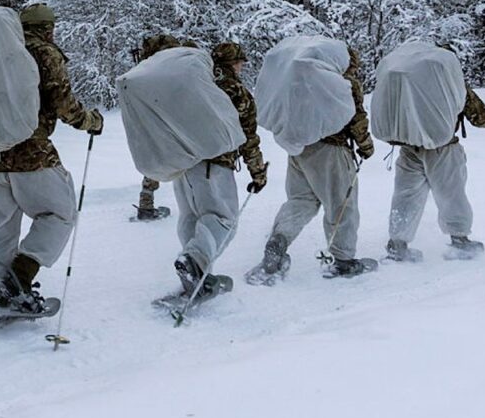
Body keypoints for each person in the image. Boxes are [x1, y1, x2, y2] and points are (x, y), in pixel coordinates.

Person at [0, 4, 103, 313]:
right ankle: (19, 279)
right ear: (48, 28)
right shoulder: (45, 53)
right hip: (32, 152)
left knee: (0, 225)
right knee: (61, 213)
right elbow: (63, 103)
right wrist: (90, 120)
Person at [247, 47, 375, 284]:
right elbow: (357, 117)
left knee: (301, 201)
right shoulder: (344, 84)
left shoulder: (305, 83)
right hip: (332, 151)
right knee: (341, 205)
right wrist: (365, 145)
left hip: (299, 149)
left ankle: (279, 240)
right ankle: (344, 260)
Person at [171, 41, 267, 295]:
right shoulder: (236, 91)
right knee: (224, 219)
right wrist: (258, 171)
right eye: (241, 62)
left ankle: (198, 275)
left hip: (183, 163)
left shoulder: (196, 85)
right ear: (234, 63)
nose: (243, 66)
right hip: (214, 164)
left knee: (192, 218)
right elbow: (248, 136)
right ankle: (194, 262)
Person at [385, 80, 485, 261]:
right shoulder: (451, 80)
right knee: (451, 193)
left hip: (409, 148)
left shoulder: (406, 81)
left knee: (406, 195)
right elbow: (479, 117)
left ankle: (398, 244)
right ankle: (459, 241)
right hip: (442, 147)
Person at [130, 34, 183, 221]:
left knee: (153, 162)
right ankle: (194, 207)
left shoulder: (144, 69)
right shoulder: (168, 69)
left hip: (148, 123)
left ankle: (146, 203)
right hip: (171, 122)